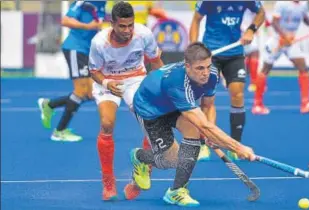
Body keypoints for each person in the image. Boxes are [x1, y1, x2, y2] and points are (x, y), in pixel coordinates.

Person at [124, 42, 256, 206]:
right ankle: (140, 157)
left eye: (208, 66)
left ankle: (176, 191)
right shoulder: (176, 83)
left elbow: (207, 107)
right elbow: (205, 127)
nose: (205, 73)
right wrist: (238, 148)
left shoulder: (212, 75)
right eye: (200, 68)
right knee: (171, 161)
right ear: (187, 66)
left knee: (193, 129)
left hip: (174, 105)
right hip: (150, 109)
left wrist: (211, 137)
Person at [88, 1, 164, 200]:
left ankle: (142, 173)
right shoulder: (99, 42)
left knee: (152, 122)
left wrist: (164, 87)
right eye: (122, 26)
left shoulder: (144, 34)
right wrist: (106, 83)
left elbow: (156, 62)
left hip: (135, 79)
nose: (128, 30)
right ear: (112, 23)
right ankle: (108, 182)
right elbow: (94, 71)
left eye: (130, 25)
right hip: (107, 81)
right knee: (107, 123)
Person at [189, 1, 265, 161]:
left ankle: (236, 145)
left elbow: (261, 13)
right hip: (212, 54)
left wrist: (251, 30)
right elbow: (196, 19)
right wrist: (193, 48)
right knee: (207, 100)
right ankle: (203, 144)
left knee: (238, 95)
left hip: (235, 52)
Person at [37, 1, 106, 142]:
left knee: (91, 93)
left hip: (87, 50)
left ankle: (50, 104)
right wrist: (88, 26)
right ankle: (59, 131)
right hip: (76, 48)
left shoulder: (102, 3)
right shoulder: (83, 2)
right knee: (80, 91)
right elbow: (65, 20)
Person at [252, 1, 309, 115]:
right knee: (265, 69)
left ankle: (306, 104)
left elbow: (304, 17)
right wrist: (283, 37)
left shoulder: (303, 4)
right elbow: (274, 23)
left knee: (303, 67)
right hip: (277, 41)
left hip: (290, 42)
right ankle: (257, 105)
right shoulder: (282, 4)